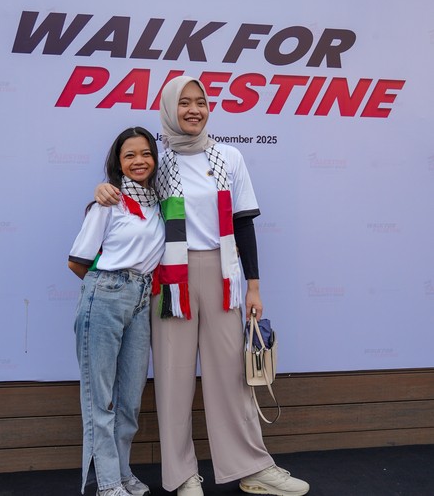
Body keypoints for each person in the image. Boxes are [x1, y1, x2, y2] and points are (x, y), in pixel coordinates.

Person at [94, 77, 310, 496]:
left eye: (201, 102)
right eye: (184, 102)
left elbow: (243, 223)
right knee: (173, 379)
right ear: (169, 108)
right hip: (169, 278)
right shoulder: (157, 160)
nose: (194, 109)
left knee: (231, 376)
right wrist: (105, 188)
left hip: (222, 274)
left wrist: (253, 286)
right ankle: (182, 476)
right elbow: (128, 191)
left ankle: (251, 467)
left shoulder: (229, 156)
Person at [68, 127, 165, 496]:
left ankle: (122, 473)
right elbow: (77, 261)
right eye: (129, 155)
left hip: (142, 300)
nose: (139, 161)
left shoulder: (159, 204)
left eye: (146, 153)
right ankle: (107, 483)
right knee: (100, 398)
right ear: (118, 163)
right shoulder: (109, 202)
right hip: (106, 294)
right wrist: (109, 288)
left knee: (130, 400)